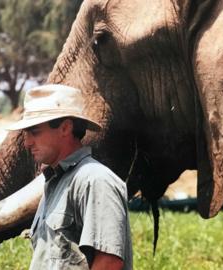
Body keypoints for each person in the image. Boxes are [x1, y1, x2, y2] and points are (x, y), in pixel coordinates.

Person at [7, 84, 133, 270]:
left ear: (65, 128)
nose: (27, 143)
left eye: (35, 132)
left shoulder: (95, 181)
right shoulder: (55, 183)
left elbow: (108, 263)